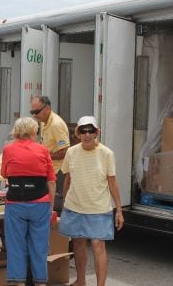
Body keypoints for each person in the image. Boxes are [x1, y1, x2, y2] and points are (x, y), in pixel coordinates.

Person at [59, 116, 124, 286]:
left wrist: (119, 210)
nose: (87, 134)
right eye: (83, 131)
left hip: (99, 208)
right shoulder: (71, 152)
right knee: (78, 244)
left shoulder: (106, 153)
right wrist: (64, 201)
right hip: (75, 207)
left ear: (97, 133)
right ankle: (80, 281)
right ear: (77, 133)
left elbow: (112, 182)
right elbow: (68, 178)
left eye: (90, 130)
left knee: (97, 245)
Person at [0, 117, 56, 286]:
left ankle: (18, 282)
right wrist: (51, 206)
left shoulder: (8, 150)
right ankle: (40, 283)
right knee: (39, 246)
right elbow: (51, 181)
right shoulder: (43, 150)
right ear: (34, 132)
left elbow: (4, 174)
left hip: (15, 204)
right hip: (40, 203)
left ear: (15, 132)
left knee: (16, 246)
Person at [30, 95, 70, 213]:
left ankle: (56, 229)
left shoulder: (56, 125)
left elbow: (65, 151)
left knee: (55, 205)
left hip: (58, 171)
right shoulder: (43, 121)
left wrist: (44, 155)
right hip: (48, 169)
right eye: (32, 112)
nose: (35, 115)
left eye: (37, 111)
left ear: (47, 108)